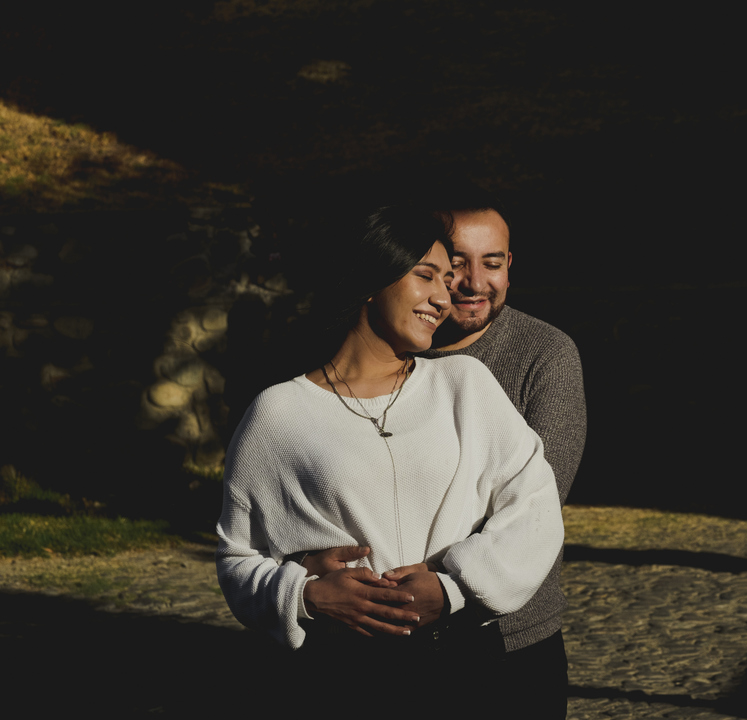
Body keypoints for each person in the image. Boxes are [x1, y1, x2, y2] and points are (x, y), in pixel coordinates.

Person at [215, 206, 564, 709]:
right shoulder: (279, 413)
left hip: (469, 666)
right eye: (426, 276)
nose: (444, 298)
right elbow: (237, 556)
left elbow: (535, 506)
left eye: (447, 281)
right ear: (369, 280)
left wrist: (452, 588)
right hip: (339, 680)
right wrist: (304, 596)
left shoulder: (463, 384)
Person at [305, 191, 586, 718]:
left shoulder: (544, 354)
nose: (475, 283)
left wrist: (449, 584)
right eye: (455, 264)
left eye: (493, 263)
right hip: (377, 642)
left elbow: (542, 497)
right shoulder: (374, 354)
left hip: (509, 636)